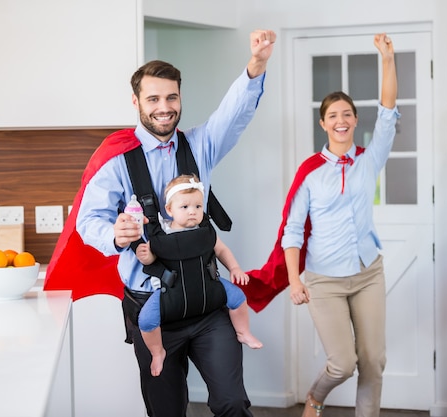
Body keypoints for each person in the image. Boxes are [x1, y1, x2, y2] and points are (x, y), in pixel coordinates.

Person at [67, 29, 276, 417]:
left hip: (207, 303)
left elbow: (233, 113)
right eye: (153, 99)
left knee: (231, 402)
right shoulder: (117, 161)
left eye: (171, 97)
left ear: (180, 98)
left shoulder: (200, 145)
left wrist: (256, 64)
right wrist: (112, 233)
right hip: (152, 311)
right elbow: (88, 220)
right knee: (167, 411)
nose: (164, 107)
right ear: (136, 102)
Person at [282, 34, 398, 417]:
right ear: (323, 123)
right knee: (343, 363)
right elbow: (293, 231)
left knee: (372, 360)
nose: (341, 120)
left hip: (368, 272)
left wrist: (387, 59)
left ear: (354, 120)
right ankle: (316, 396)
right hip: (324, 280)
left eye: (347, 113)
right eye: (333, 115)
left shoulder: (369, 160)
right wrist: (295, 280)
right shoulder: (310, 174)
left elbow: (388, 110)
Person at [135, 174, 263, 377]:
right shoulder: (161, 234)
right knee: (146, 321)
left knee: (238, 298)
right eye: (185, 207)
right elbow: (151, 260)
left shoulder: (205, 231)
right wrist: (146, 256)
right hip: (171, 291)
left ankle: (243, 332)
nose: (192, 212)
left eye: (198, 206)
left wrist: (235, 269)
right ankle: (158, 352)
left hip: (207, 284)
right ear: (169, 210)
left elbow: (221, 250)